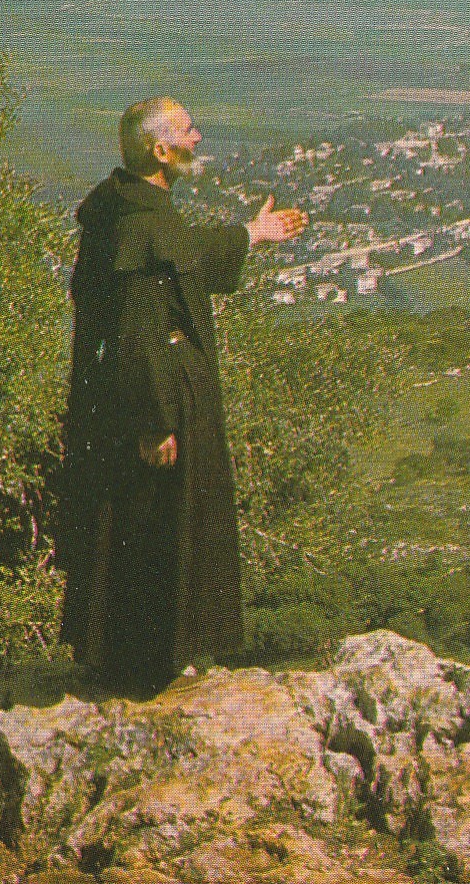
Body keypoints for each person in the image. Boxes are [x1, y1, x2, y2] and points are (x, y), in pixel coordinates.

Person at [57, 97, 307, 694]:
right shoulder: (140, 220)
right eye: (189, 131)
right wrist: (154, 421)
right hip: (153, 401)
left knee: (139, 524)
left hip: (132, 397)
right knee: (152, 526)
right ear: (160, 150)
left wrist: (252, 233)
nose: (199, 137)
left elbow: (182, 258)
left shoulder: (126, 206)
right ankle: (144, 666)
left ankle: (131, 657)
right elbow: (139, 329)